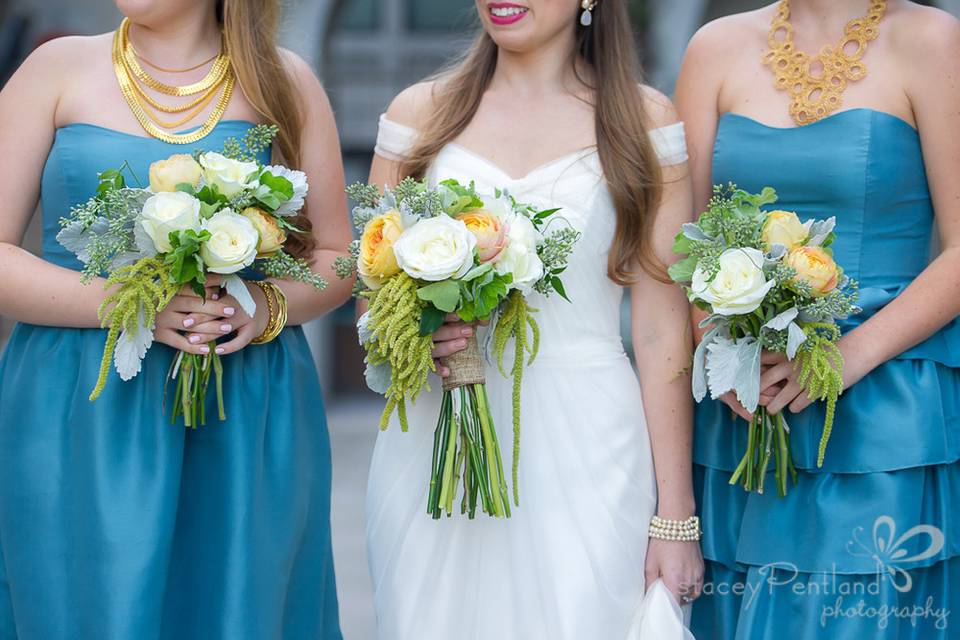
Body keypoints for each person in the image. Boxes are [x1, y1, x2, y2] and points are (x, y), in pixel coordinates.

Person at [0, 1, 351, 638]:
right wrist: (131, 304)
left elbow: (335, 256)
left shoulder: (285, 81)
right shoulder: (52, 69)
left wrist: (268, 306)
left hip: (240, 403)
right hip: (79, 401)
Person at [364, 1, 702, 637]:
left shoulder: (643, 121)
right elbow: (371, 293)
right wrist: (418, 331)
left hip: (590, 440)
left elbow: (662, 332)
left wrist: (674, 517)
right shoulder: (420, 114)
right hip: (437, 439)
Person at [676, 1, 960, 637]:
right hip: (741, 410)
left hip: (882, 407)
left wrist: (844, 357)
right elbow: (684, 239)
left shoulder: (934, 40)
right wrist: (722, 352)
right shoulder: (714, 47)